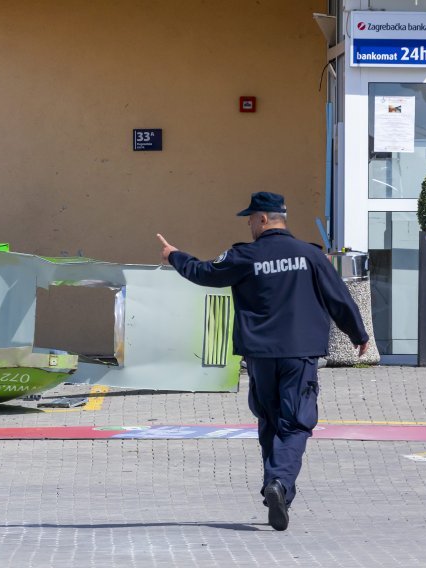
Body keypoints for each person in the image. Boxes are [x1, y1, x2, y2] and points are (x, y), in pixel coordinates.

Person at [157, 191, 368, 532]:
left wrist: (174, 256)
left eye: (251, 219)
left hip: (260, 355)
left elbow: (205, 272)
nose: (249, 225)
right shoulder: (310, 255)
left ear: (264, 219)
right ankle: (280, 484)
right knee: (296, 422)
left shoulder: (246, 256)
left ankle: (277, 485)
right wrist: (358, 334)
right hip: (299, 354)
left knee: (270, 420)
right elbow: (338, 297)